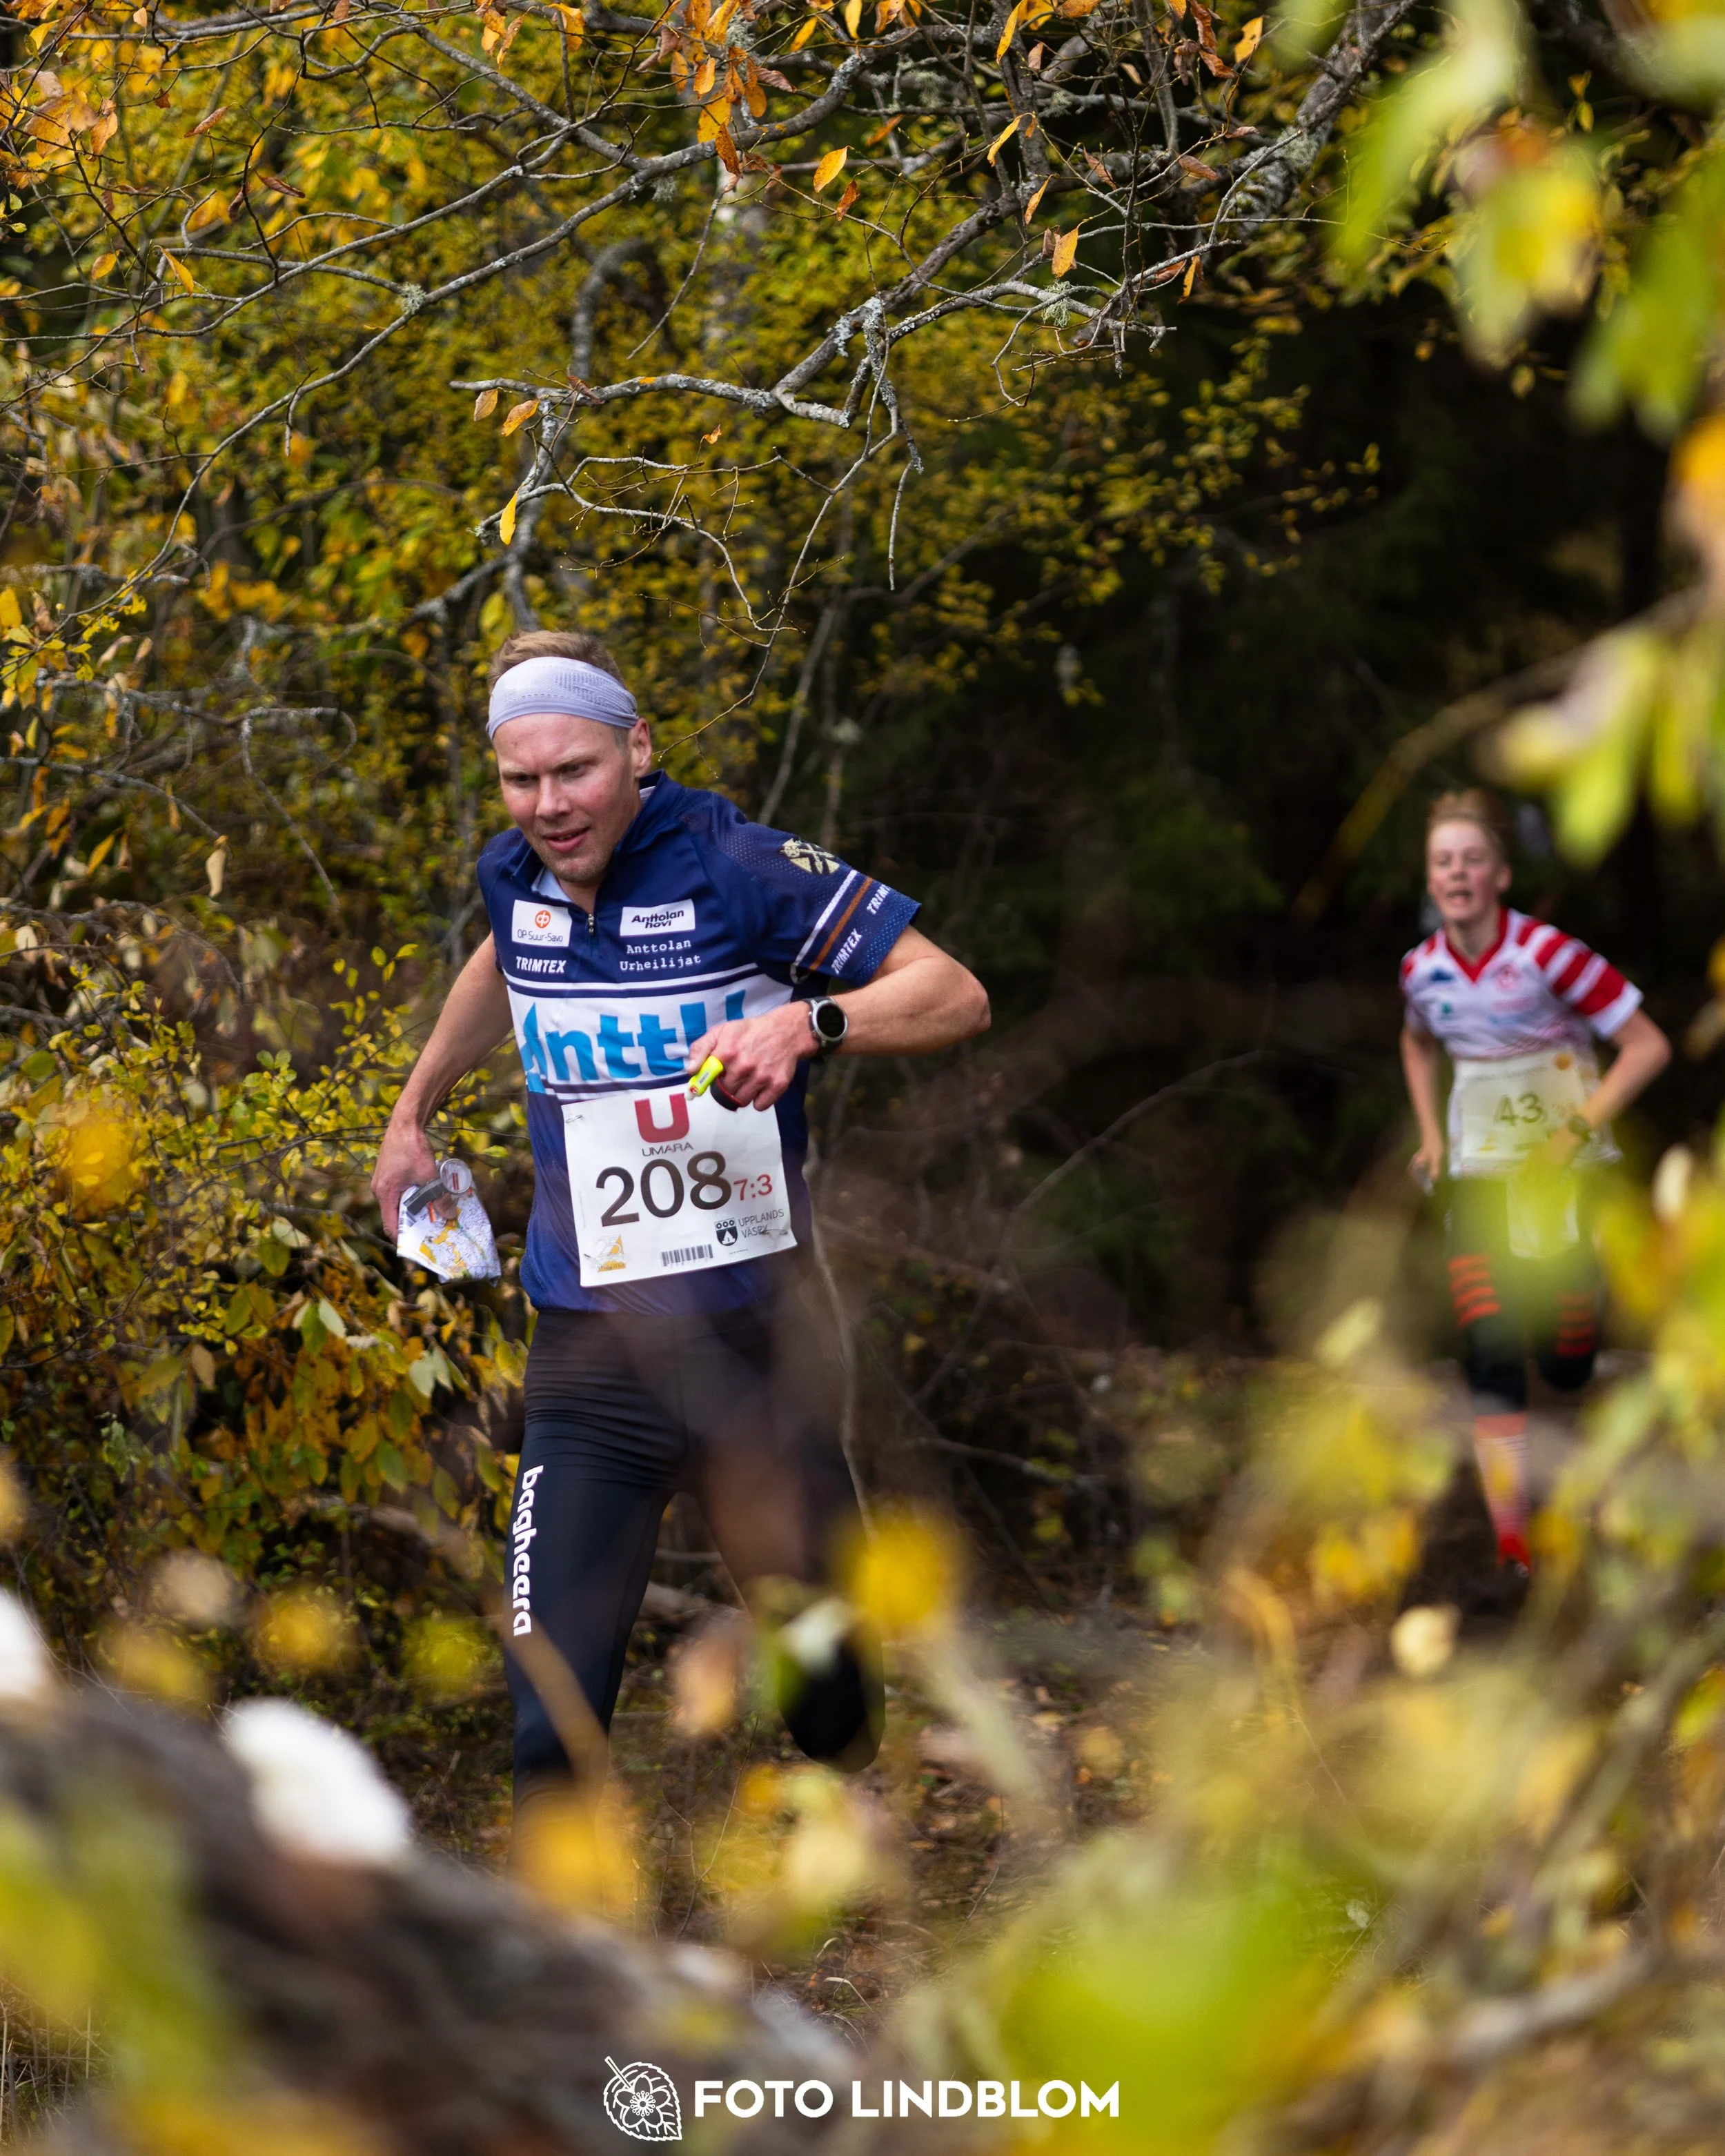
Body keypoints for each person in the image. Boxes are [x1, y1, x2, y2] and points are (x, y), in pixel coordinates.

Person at [371, 629, 989, 1805]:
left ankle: (874, 1877)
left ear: (637, 748)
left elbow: (954, 992)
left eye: (577, 772)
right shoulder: (517, 874)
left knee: (830, 1698)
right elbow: (504, 960)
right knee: (550, 1713)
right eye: (523, 779)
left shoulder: (741, 866)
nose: (550, 806)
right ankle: (566, 1963)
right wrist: (415, 1109)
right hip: (589, 1357)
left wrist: (805, 1027)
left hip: (754, 1351)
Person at [1400, 789, 1670, 1572]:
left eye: (1471, 859)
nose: (1457, 873)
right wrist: (1427, 1132)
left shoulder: (1550, 955)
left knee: (1562, 1362)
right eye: (1443, 861)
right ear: (1430, 878)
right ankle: (1512, 1543)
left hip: (1562, 1176)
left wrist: (1573, 1130)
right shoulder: (1421, 971)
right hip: (1479, 1176)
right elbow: (1416, 1044)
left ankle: (1581, 1300)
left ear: (1500, 874)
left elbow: (1647, 1047)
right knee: (1487, 1348)